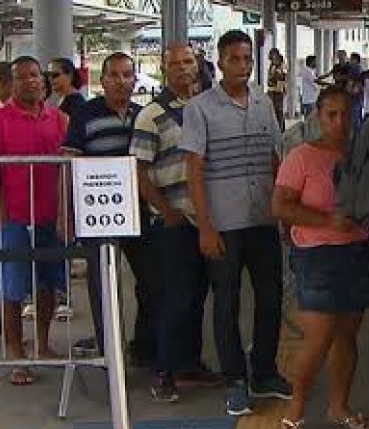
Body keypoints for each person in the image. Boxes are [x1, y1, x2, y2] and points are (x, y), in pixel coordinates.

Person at [181, 30, 291, 416]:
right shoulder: (199, 108)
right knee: (226, 301)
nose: (242, 66)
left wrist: (285, 211)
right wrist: (205, 227)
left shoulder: (263, 102)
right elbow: (194, 169)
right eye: (235, 59)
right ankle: (235, 380)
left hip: (262, 217)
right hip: (223, 223)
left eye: (247, 59)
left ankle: (264, 371)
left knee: (271, 297)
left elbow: (276, 158)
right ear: (221, 60)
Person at [272, 87, 369, 429]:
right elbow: (281, 206)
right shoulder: (301, 157)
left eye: (346, 114)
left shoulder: (361, 155)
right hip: (317, 256)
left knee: (348, 335)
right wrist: (326, 222)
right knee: (318, 337)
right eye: (331, 114)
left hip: (358, 251)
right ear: (318, 115)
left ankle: (339, 405)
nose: (339, 122)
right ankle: (297, 404)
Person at [131, 44, 222, 403]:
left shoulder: (210, 108)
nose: (183, 69)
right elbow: (139, 170)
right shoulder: (151, 115)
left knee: (198, 296)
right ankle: (165, 371)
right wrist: (166, 211)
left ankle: (189, 364)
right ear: (163, 68)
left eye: (188, 62)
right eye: (175, 63)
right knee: (175, 298)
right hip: (175, 224)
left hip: (209, 221)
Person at [63, 52, 156, 365]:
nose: (121, 81)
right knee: (103, 287)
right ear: (101, 80)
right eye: (113, 75)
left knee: (152, 282)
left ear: (135, 79)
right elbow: (69, 162)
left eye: (127, 75)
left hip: (141, 215)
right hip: (100, 219)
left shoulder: (145, 115)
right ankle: (110, 354)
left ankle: (143, 347)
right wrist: (69, 214)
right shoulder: (85, 115)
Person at [0, 57, 69, 385]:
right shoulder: (1, 120)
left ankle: (43, 344)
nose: (33, 82)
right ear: (12, 83)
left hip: (50, 217)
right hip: (13, 218)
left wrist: (65, 214)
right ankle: (16, 353)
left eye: (36, 76)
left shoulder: (60, 119)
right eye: (23, 77)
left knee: (48, 284)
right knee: (13, 290)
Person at [266, 48, 287, 127]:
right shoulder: (272, 65)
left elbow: (282, 77)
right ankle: (276, 126)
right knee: (272, 110)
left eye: (273, 55)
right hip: (272, 90)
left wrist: (275, 76)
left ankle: (281, 127)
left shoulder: (281, 65)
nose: (271, 57)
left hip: (278, 90)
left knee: (279, 110)